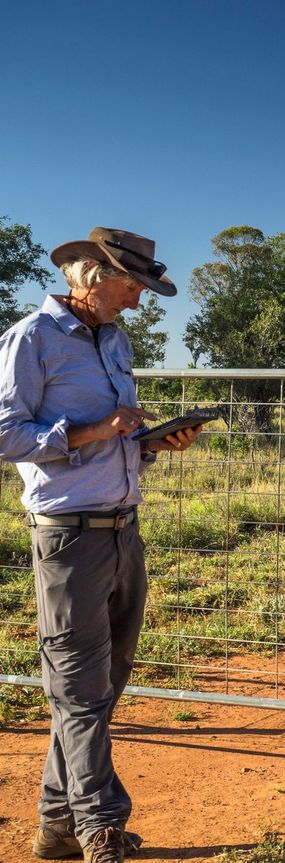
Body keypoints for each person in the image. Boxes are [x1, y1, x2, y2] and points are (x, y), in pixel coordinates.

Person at [0, 228, 203, 863]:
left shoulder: (114, 338)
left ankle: (56, 827)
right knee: (80, 691)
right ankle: (100, 826)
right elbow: (6, 434)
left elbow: (115, 438)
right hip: (68, 537)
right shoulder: (30, 339)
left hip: (123, 529)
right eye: (133, 286)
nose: (140, 301)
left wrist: (148, 443)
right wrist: (93, 430)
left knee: (101, 686)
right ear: (91, 278)